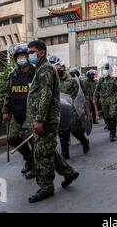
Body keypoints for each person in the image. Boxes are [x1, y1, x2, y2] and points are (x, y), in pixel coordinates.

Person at [26, 40, 79, 203]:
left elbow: (46, 95)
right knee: (47, 149)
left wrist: (40, 120)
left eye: (32, 52)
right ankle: (68, 172)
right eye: (28, 53)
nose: (29, 56)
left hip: (46, 119)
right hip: (42, 118)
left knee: (42, 153)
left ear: (41, 52)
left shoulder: (46, 69)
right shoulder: (40, 69)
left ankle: (46, 187)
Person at [2, 44, 36, 179]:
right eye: (19, 56)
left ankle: (36, 167)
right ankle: (29, 159)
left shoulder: (36, 73)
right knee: (12, 138)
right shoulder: (13, 74)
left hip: (32, 113)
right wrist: (5, 111)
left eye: (23, 56)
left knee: (34, 141)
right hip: (17, 112)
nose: (21, 58)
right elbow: (8, 94)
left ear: (28, 57)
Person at [54, 61, 89, 158]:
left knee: (75, 130)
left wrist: (82, 110)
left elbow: (80, 95)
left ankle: (84, 142)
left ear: (64, 68)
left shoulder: (72, 80)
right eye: (56, 69)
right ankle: (65, 153)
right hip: (60, 109)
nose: (58, 70)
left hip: (72, 109)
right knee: (62, 131)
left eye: (59, 68)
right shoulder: (54, 81)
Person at [94, 63, 117, 142]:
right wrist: (95, 98)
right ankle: (109, 126)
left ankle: (112, 134)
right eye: (105, 69)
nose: (106, 70)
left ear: (111, 70)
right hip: (104, 101)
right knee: (106, 116)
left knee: (112, 116)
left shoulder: (115, 79)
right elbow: (97, 90)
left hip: (113, 101)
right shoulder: (101, 79)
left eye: (107, 69)